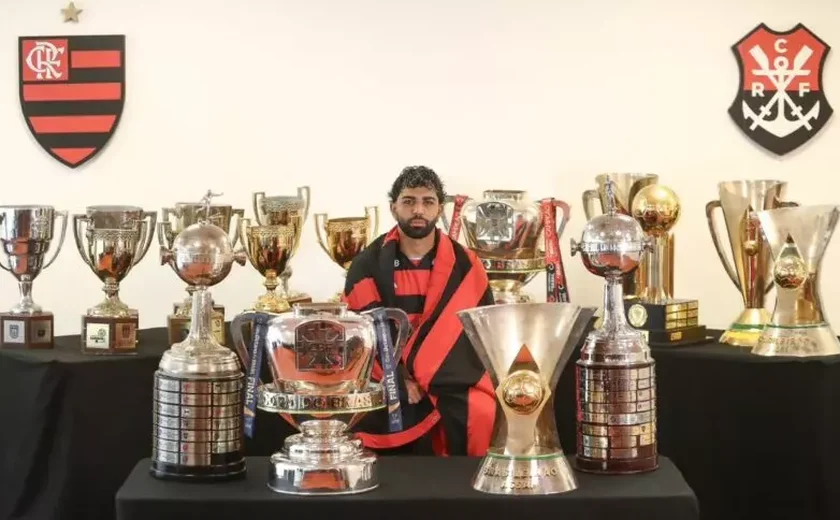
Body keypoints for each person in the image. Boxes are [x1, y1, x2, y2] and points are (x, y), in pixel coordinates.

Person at [341, 165, 496, 456]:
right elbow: (363, 333)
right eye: (409, 201)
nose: (418, 210)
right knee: (366, 413)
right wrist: (399, 378)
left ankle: (469, 495)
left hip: (451, 377)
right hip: (386, 374)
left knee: (482, 411)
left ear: (440, 209)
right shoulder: (367, 265)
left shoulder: (466, 264)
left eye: (428, 201)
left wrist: (431, 376)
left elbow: (479, 333)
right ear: (393, 207)